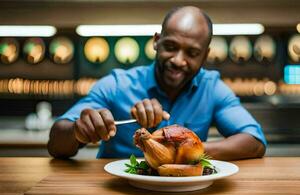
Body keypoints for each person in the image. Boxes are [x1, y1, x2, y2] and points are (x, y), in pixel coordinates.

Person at [47, 6, 266, 160]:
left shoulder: (212, 88)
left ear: (205, 55)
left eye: (192, 53)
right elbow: (56, 143)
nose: (178, 60)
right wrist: (78, 130)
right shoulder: (116, 84)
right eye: (170, 46)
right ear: (156, 41)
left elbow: (254, 142)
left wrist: (186, 150)